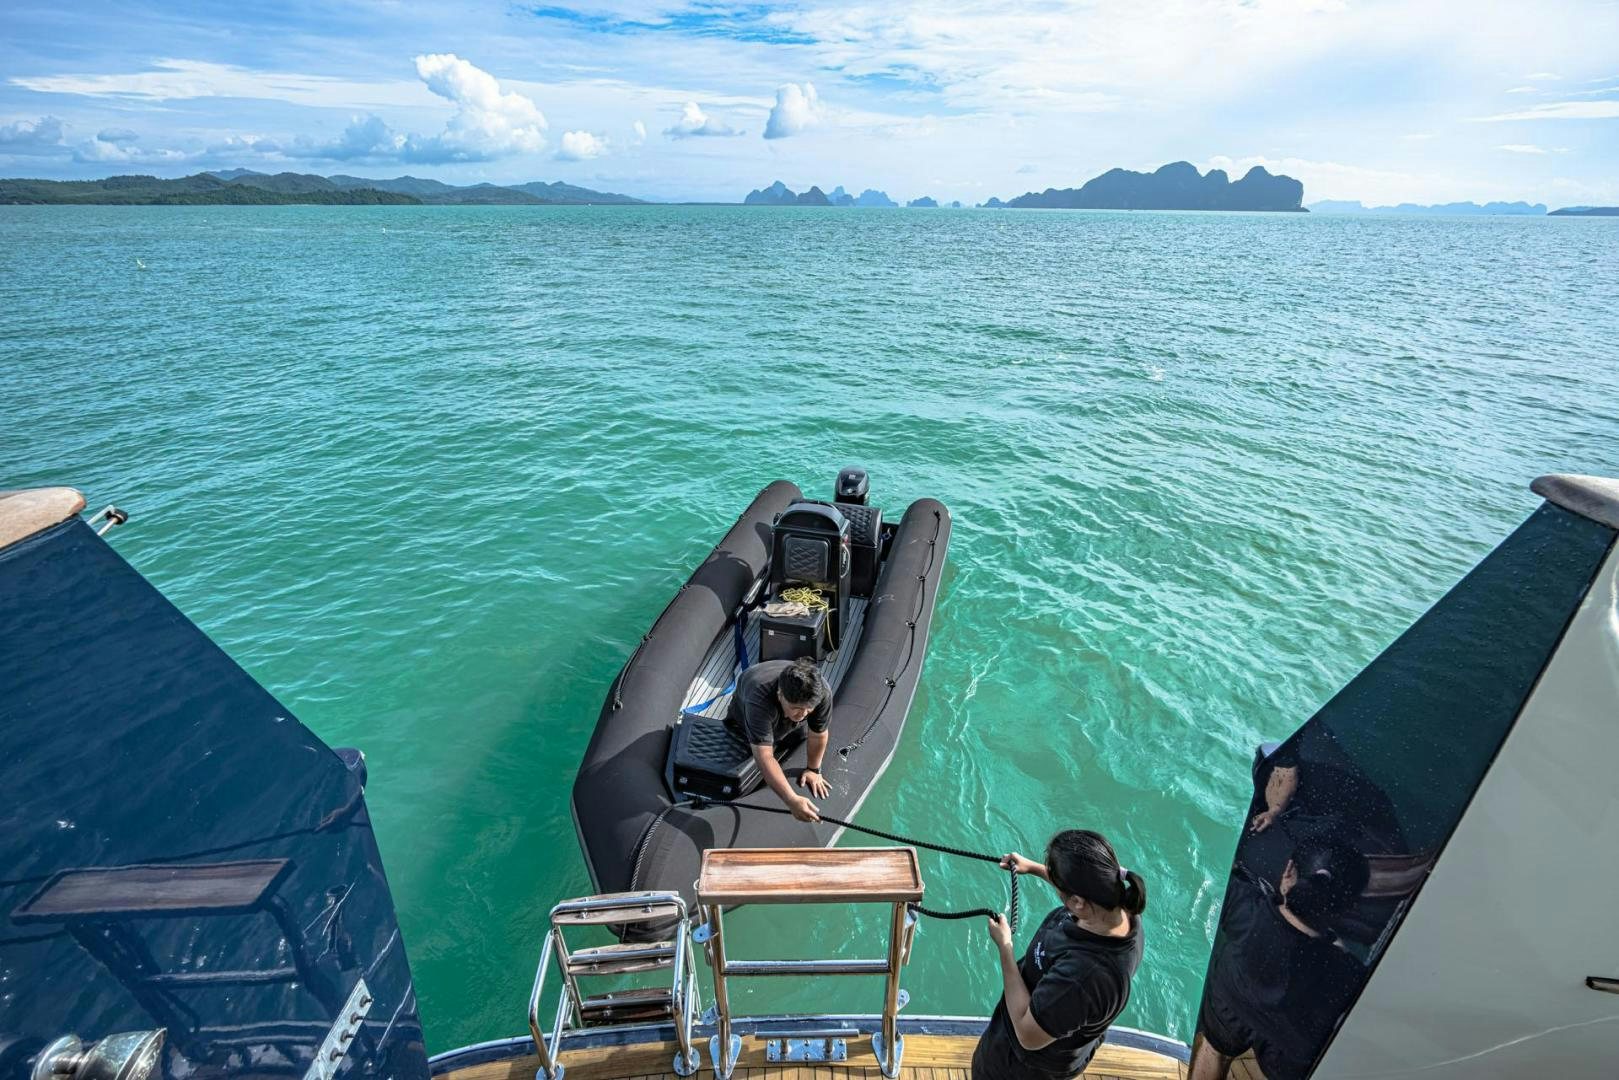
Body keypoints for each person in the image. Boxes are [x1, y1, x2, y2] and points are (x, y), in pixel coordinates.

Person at [1189, 838, 1370, 1080]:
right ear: (1347, 909)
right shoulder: (1344, 972)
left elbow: (1220, 885)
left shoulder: (1245, 907)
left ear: (1287, 874)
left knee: (1214, 1050)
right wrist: (1338, 947)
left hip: (1230, 1001)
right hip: (1286, 1039)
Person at [972, 830, 1147, 1079]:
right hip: (1057, 1040)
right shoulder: (1121, 909)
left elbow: (1027, 1034)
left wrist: (1005, 947)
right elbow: (1087, 886)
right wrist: (1034, 868)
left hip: (1024, 1067)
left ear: (1078, 903)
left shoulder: (1083, 978)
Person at [724, 656, 831, 822]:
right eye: (797, 708)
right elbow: (765, 756)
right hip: (745, 716)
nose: (803, 715)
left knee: (797, 728)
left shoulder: (822, 693)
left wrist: (813, 770)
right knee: (753, 743)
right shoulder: (758, 698)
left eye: (808, 709)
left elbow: (818, 733)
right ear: (780, 694)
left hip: (784, 714)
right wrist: (791, 799)